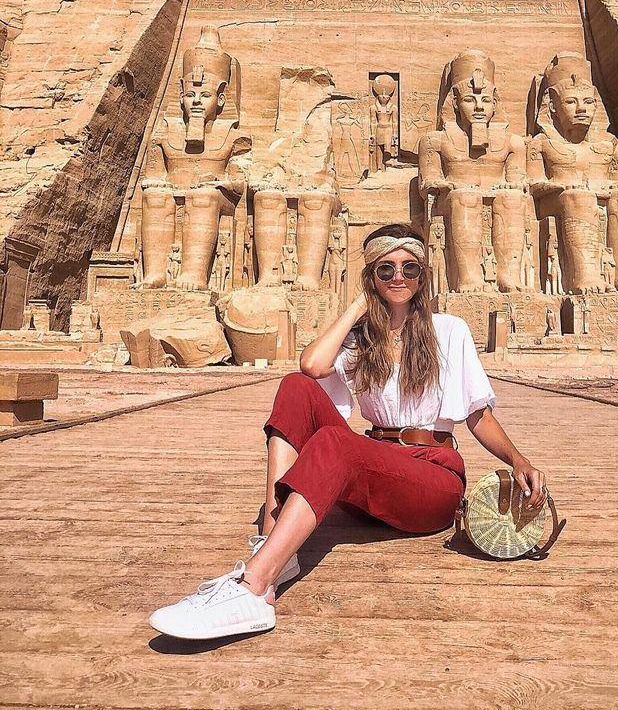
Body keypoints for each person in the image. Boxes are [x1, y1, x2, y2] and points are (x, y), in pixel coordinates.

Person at [149, 223, 546, 640]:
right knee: (296, 387)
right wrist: (359, 308)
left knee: (337, 442)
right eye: (385, 269)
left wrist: (518, 460)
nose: (398, 277)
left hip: (431, 480)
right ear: (371, 276)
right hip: (375, 467)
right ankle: (274, 548)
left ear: (422, 277)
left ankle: (253, 587)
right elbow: (312, 366)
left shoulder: (449, 330)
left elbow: (476, 414)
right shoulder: (360, 339)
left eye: (410, 269)